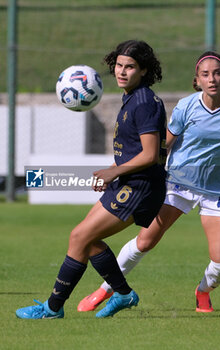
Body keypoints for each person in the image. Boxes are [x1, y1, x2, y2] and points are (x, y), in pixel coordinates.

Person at [16, 40, 167, 319]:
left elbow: (150, 155)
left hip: (140, 187)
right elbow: (133, 151)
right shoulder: (133, 97)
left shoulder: (144, 102)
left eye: (130, 66)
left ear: (144, 70)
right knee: (85, 238)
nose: (122, 71)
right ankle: (122, 293)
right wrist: (113, 171)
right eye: (119, 65)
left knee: (81, 236)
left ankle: (53, 308)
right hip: (128, 181)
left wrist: (113, 172)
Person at [78, 51, 220, 314]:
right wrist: (118, 169)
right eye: (205, 74)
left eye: (217, 73)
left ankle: (203, 291)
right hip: (178, 184)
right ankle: (107, 289)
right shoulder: (186, 106)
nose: (212, 79)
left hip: (217, 190)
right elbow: (162, 146)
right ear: (197, 80)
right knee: (145, 241)